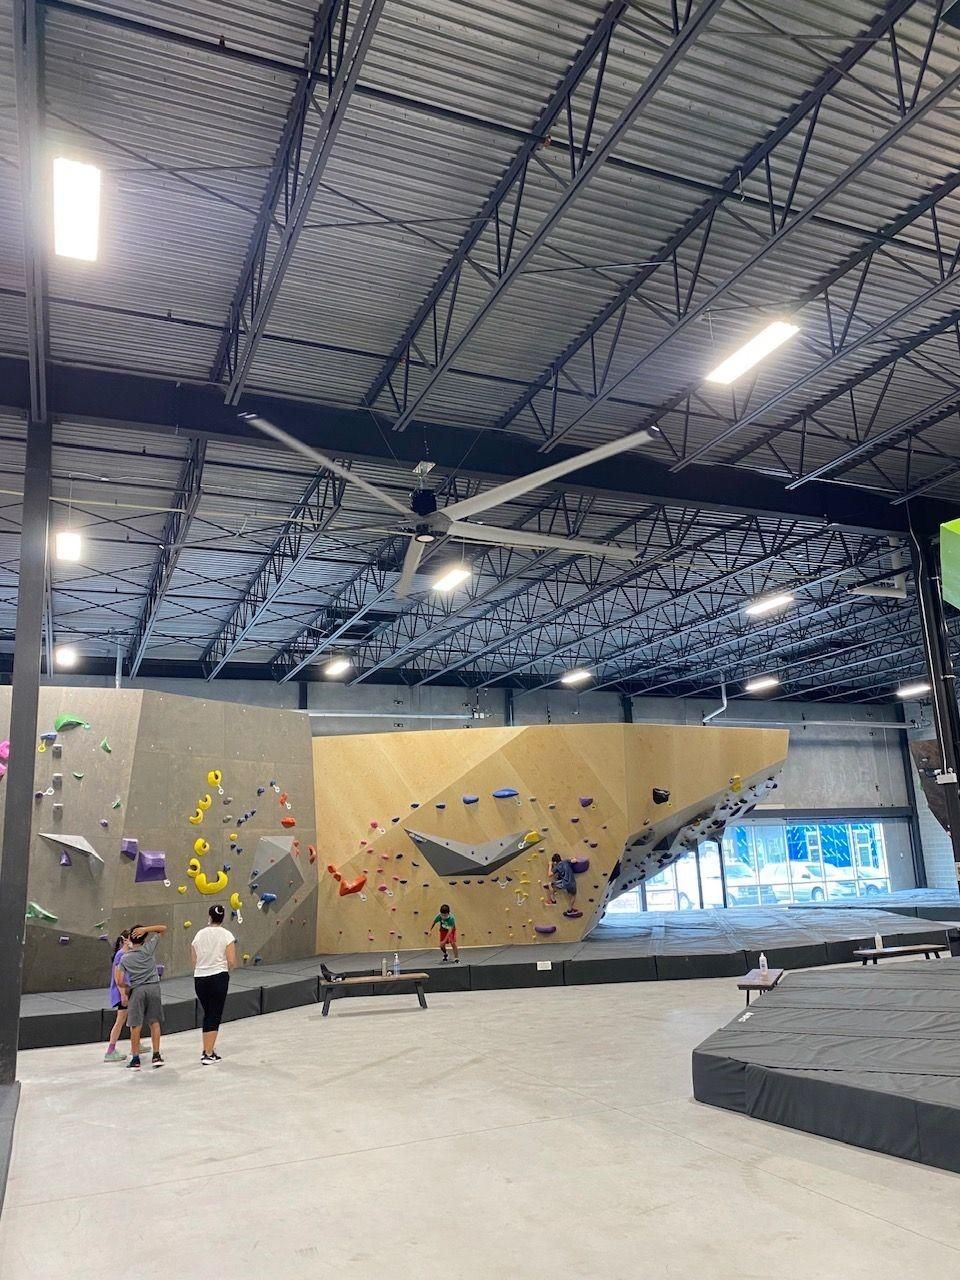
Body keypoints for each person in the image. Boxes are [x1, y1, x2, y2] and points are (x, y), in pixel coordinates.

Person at [191, 904, 237, 1065]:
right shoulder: (227, 935)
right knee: (214, 1014)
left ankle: (207, 1048)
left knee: (208, 1013)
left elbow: (194, 959)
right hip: (218, 976)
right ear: (223, 917)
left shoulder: (199, 934)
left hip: (200, 978)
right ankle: (208, 1053)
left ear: (209, 917)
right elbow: (231, 960)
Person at [119, 922, 167, 1070]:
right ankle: (156, 1055)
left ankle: (135, 1059)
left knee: (135, 1025)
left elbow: (120, 981)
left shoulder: (125, 959)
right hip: (153, 988)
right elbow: (163, 929)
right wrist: (145, 929)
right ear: (143, 938)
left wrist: (127, 989)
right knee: (154, 1022)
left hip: (137, 990)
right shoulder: (148, 949)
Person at [103, 930, 131, 1063]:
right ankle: (110, 1050)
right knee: (120, 1020)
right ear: (125, 940)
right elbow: (117, 976)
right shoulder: (120, 955)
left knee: (133, 1016)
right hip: (122, 992)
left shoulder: (127, 954)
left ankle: (135, 1042)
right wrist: (122, 994)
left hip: (127, 990)